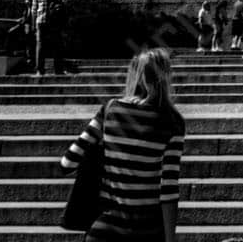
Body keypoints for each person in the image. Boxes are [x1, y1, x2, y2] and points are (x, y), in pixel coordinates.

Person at [61, 48, 185, 242]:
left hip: (104, 229)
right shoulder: (172, 122)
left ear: (135, 74)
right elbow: (168, 189)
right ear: (166, 77)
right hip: (147, 231)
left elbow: (67, 163)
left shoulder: (110, 110)